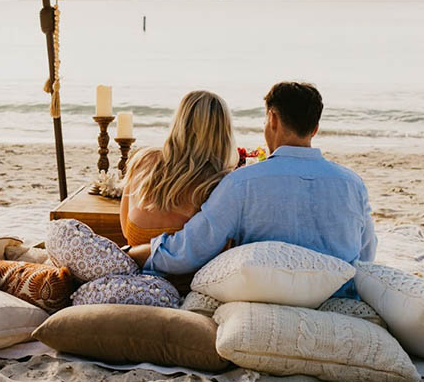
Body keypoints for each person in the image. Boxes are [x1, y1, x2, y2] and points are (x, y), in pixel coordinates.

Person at [128, 81, 377, 298]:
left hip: (269, 299)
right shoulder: (353, 183)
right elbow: (366, 255)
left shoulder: (242, 184)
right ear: (315, 129)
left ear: (273, 119)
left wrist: (134, 253)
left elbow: (188, 250)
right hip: (340, 297)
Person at [119, 90, 238, 247]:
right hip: (188, 272)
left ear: (179, 122)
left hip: (136, 265)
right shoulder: (219, 184)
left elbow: (126, 231)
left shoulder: (143, 160)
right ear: (223, 133)